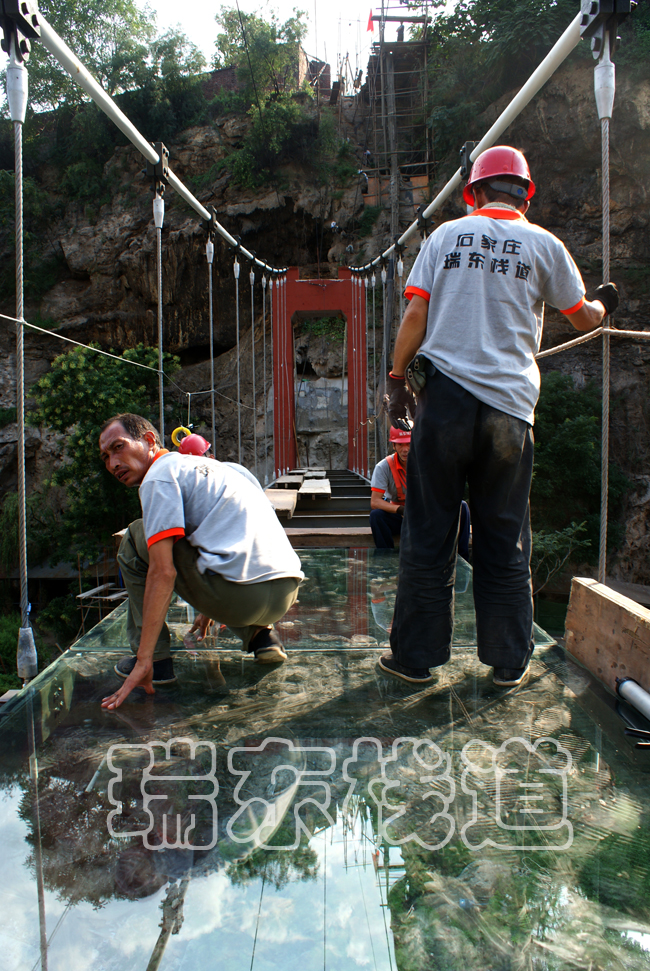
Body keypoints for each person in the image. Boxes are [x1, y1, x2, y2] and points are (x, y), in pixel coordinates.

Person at [380, 145, 619, 687]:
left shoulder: (445, 237)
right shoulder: (545, 244)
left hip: (445, 404)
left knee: (429, 532)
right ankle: (509, 662)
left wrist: (396, 379)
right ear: (525, 196)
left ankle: (415, 660)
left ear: (474, 193)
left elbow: (416, 313)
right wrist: (606, 303)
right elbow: (584, 318)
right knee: (504, 536)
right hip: (509, 411)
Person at [98, 413, 303, 709]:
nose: (112, 463)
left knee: (134, 537)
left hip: (241, 597)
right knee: (177, 537)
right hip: (285, 593)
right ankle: (261, 637)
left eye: (118, 447)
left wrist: (144, 659)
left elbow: (163, 572)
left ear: (150, 440)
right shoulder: (225, 469)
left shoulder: (158, 476)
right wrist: (207, 604)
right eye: (105, 457)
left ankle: (158, 662)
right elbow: (227, 537)